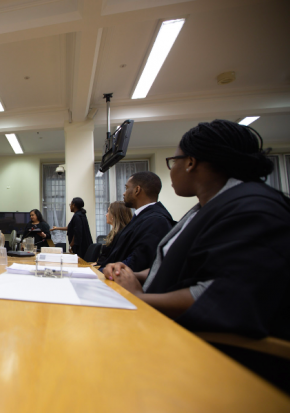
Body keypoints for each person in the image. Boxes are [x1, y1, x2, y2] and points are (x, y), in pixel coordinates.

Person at [104, 119, 290, 341]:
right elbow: (184, 268)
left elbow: (220, 297)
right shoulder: (210, 207)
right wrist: (129, 274)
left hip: (203, 347)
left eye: (174, 162)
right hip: (163, 326)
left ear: (191, 162)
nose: (171, 171)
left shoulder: (254, 209)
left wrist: (136, 297)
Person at [97, 171, 174, 272]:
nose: (124, 193)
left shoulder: (156, 221)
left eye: (127, 188)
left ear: (137, 190)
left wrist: (102, 272)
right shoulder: (141, 217)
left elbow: (137, 262)